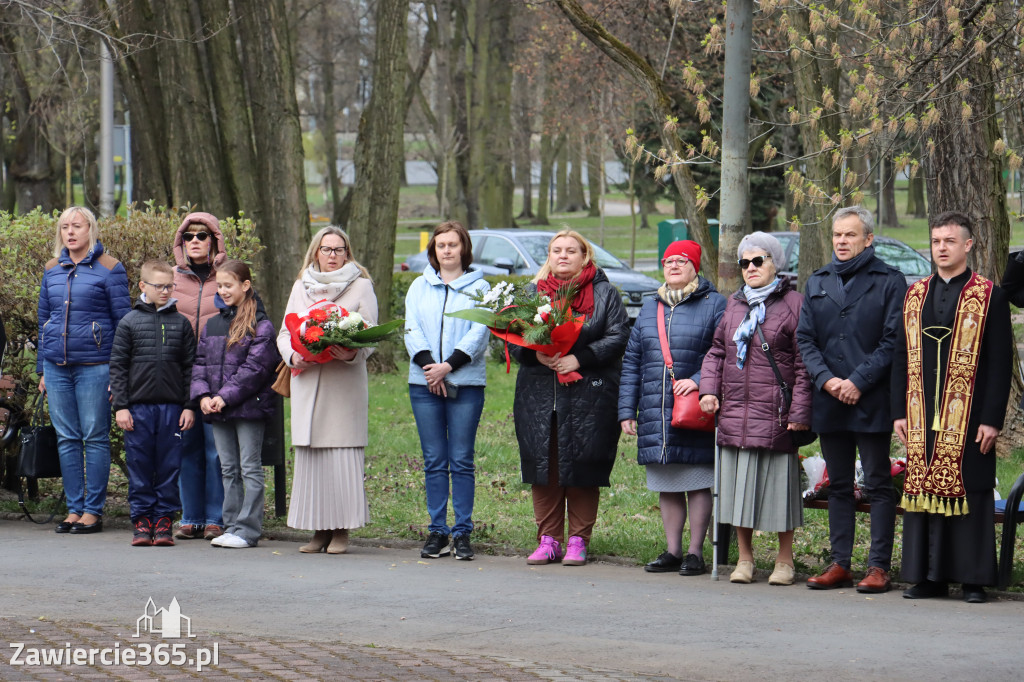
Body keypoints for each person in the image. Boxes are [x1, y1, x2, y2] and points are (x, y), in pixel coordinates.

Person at [892, 211, 1011, 603]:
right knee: (924, 487)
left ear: (968, 245)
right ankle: (928, 576)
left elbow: (1000, 362)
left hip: (971, 414)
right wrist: (898, 412)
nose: (941, 248)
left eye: (949, 241)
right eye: (936, 241)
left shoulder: (988, 293)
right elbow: (899, 358)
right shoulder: (915, 294)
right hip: (921, 411)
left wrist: (992, 420)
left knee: (971, 490)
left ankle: (973, 579)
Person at [796, 207, 907, 593]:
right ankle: (839, 563)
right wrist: (826, 381)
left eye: (850, 235)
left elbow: (894, 340)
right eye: (837, 235)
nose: (842, 242)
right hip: (829, 399)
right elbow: (805, 339)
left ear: (868, 239)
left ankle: (878, 567)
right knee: (838, 483)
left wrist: (858, 381)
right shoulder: (818, 281)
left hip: (870, 398)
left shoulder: (890, 281)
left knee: (877, 483)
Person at [699, 231, 812, 585]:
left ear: (774, 264)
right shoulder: (734, 304)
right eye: (744, 262)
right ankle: (745, 560)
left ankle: (784, 561)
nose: (750, 267)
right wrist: (708, 390)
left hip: (775, 412)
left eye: (757, 260)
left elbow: (803, 363)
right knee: (738, 491)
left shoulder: (794, 303)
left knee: (781, 491)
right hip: (735, 412)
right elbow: (717, 351)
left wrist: (800, 412)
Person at [511, 229, 629, 566]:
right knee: (544, 466)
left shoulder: (605, 293)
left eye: (571, 251)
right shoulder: (532, 294)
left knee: (583, 463)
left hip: (590, 395)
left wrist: (581, 357)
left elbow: (619, 335)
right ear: (549, 256)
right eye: (556, 250)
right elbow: (512, 339)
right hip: (539, 396)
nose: (563, 256)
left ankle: (578, 540)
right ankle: (548, 540)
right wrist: (536, 355)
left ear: (585, 256)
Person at [618, 240, 725, 576]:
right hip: (655, 410)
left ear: (695, 266)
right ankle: (673, 550)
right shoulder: (651, 308)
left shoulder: (714, 304)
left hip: (695, 410)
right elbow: (632, 360)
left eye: (682, 261)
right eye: (668, 261)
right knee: (666, 481)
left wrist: (698, 379)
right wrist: (626, 410)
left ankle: (695, 553)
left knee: (697, 479)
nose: (674, 266)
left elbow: (721, 352)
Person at [278, 226, 376, 555]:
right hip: (308, 381)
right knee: (314, 460)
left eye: (338, 249)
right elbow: (283, 332)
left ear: (347, 253)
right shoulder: (300, 286)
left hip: (342, 385)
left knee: (340, 458)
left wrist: (351, 352)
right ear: (315, 252)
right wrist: (294, 355)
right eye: (326, 249)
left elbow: (371, 333)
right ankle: (319, 531)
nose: (332, 255)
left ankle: (342, 531)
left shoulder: (361, 286)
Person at [37, 206, 131, 535]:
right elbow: (43, 320)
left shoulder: (109, 269)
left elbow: (123, 325)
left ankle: (93, 510)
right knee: (66, 439)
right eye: (65, 227)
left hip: (96, 366)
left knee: (94, 437)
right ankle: (74, 509)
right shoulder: (52, 268)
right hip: (57, 366)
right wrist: (42, 370)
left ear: (90, 229)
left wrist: (118, 375)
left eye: (77, 226)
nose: (70, 232)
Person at [405, 221, 490, 561]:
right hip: (423, 383)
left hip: (465, 383)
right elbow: (411, 328)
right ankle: (438, 531)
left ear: (463, 248)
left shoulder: (480, 287)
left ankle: (463, 532)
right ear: (434, 250)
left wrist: (448, 366)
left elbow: (480, 331)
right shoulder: (418, 287)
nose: (447, 250)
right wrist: (430, 366)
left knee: (461, 460)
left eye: (453, 244)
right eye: (441, 245)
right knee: (434, 460)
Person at [191, 260, 279, 549]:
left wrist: (223, 396)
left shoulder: (261, 325)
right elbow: (200, 364)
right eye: (220, 286)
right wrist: (203, 395)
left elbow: (254, 370)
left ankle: (248, 530)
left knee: (249, 467)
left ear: (245, 285)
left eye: (229, 285)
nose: (223, 291)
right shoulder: (213, 324)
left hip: (248, 407)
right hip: (218, 408)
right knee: (227, 468)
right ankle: (231, 526)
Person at [110, 260, 197, 547]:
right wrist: (121, 406)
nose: (165, 291)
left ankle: (163, 522)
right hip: (138, 409)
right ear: (143, 286)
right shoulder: (129, 322)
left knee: (170, 466)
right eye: (159, 286)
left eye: (169, 286)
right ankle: (141, 522)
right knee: (140, 466)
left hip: (172, 409)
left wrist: (188, 405)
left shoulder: (181, 323)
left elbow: (189, 368)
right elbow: (118, 367)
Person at [172, 212, 227, 541]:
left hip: (217, 374)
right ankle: (190, 516)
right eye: (189, 236)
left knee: (214, 449)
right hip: (180, 374)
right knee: (185, 446)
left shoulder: (226, 276)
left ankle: (215, 517)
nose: (195, 241)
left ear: (214, 241)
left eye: (202, 235)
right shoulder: (173, 278)